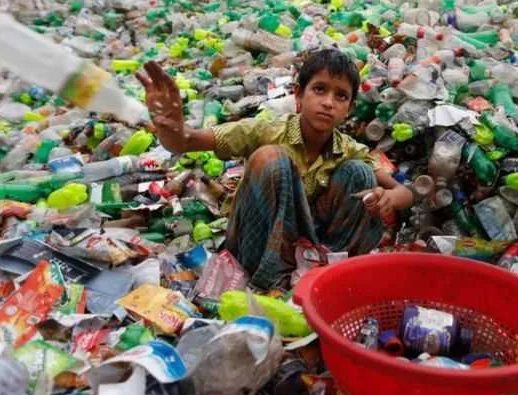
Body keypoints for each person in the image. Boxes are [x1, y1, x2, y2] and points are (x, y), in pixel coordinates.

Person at [137, 48, 413, 289]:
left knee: (359, 173)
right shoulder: (267, 130)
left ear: (349, 108)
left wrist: (387, 198)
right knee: (271, 158)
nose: (328, 102)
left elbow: (405, 192)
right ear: (298, 95)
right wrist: (170, 124)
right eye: (319, 89)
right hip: (257, 243)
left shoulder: (347, 148)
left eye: (340, 96)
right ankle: (265, 280)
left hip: (309, 247)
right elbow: (186, 142)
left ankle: (329, 270)